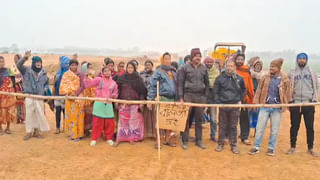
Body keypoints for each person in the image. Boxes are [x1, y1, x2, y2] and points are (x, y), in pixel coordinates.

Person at [249, 58, 291, 156]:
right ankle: (256, 147)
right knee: (260, 127)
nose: (271, 68)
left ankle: (271, 148)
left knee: (274, 129)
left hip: (277, 107)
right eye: (270, 66)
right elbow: (259, 90)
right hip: (264, 106)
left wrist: (286, 104)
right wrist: (256, 103)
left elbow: (288, 92)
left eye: (273, 67)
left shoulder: (284, 78)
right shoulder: (265, 77)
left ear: (279, 68)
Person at [287, 53, 319, 156]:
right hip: (295, 103)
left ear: (306, 60)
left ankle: (310, 148)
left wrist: (314, 99)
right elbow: (287, 87)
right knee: (294, 126)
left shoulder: (312, 73)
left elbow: (317, 87)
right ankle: (292, 147)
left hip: (308, 103)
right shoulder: (292, 73)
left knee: (309, 127)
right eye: (300, 58)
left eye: (304, 59)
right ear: (297, 60)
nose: (302, 60)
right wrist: (290, 100)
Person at [213, 59, 246, 154]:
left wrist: (239, 99)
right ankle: (220, 144)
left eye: (231, 66)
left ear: (234, 67)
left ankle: (234, 145)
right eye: (228, 66)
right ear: (225, 66)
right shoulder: (219, 78)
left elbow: (244, 90)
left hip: (234, 105)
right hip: (223, 105)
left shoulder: (240, 78)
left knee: (233, 126)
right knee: (222, 125)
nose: (229, 68)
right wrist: (218, 102)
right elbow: (215, 92)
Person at [178, 48, 209, 150]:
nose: (198, 58)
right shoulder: (184, 68)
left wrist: (205, 99)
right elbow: (180, 84)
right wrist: (181, 98)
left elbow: (207, 84)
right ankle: (185, 140)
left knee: (199, 119)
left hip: (200, 96)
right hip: (188, 95)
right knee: (186, 119)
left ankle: (199, 140)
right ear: (192, 57)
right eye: (196, 56)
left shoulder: (204, 69)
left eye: (200, 56)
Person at [17, 51, 50, 140]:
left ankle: (38, 131)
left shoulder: (44, 72)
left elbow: (46, 83)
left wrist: (44, 90)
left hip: (39, 97)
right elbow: (18, 65)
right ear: (33, 63)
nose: (38, 64)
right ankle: (29, 132)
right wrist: (25, 57)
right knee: (29, 114)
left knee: (39, 114)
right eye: (37, 62)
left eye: (40, 62)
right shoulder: (26, 70)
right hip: (29, 96)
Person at [147, 52, 178, 148]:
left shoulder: (173, 71)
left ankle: (167, 140)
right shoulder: (158, 71)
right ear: (162, 60)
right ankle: (158, 141)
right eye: (166, 59)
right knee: (159, 121)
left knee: (169, 121)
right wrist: (150, 99)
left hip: (172, 99)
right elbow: (152, 86)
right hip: (162, 98)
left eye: (169, 59)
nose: (168, 61)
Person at [114, 62, 147, 146]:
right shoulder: (121, 78)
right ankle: (120, 138)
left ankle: (131, 138)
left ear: (134, 69)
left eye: (131, 68)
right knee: (122, 122)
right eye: (128, 67)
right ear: (126, 68)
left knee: (133, 122)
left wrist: (141, 102)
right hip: (124, 103)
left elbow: (142, 91)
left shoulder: (138, 79)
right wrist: (117, 101)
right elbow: (118, 90)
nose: (130, 69)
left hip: (135, 104)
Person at [84, 67, 118, 146]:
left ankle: (109, 138)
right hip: (99, 103)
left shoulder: (114, 83)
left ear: (111, 72)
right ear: (102, 72)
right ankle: (94, 139)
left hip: (108, 104)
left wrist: (113, 96)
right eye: (105, 71)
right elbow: (88, 84)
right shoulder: (98, 80)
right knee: (97, 122)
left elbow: (116, 93)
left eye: (108, 71)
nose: (107, 72)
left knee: (109, 122)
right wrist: (86, 77)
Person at [59, 59, 85, 142]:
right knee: (71, 116)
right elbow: (63, 86)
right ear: (69, 66)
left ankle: (79, 134)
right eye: (72, 65)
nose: (74, 67)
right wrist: (69, 93)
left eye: (75, 65)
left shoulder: (80, 74)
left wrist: (76, 93)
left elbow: (82, 86)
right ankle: (73, 134)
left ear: (78, 66)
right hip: (69, 98)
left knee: (79, 117)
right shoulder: (66, 75)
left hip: (78, 98)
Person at [235, 53, 254, 145]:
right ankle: (229, 136)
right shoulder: (231, 69)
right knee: (231, 118)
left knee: (244, 118)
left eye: (241, 59)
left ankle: (244, 137)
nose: (239, 61)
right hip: (232, 98)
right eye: (238, 59)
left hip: (244, 97)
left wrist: (250, 97)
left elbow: (249, 84)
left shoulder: (246, 71)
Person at [204, 57, 220, 142]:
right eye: (207, 62)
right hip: (203, 97)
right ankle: (198, 137)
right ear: (205, 63)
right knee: (199, 118)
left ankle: (213, 135)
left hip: (213, 97)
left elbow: (216, 83)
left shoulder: (216, 71)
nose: (209, 64)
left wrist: (209, 83)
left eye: (211, 62)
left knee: (214, 119)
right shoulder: (202, 70)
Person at [52, 56, 70, 134]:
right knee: (58, 111)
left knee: (65, 112)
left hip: (66, 96)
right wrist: (53, 96)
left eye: (66, 63)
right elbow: (54, 85)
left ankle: (65, 127)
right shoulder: (58, 73)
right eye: (64, 63)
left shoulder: (70, 74)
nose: (65, 64)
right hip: (57, 95)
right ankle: (57, 127)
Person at [0, 56, 16, 135]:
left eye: (2, 61)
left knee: (9, 111)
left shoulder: (9, 71)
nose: (1, 63)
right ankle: (0, 128)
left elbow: (13, 82)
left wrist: (13, 92)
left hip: (8, 95)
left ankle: (8, 128)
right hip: (0, 95)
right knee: (0, 111)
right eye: (0, 62)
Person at [140, 60, 156, 138]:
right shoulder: (141, 74)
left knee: (152, 115)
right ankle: (144, 133)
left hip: (152, 96)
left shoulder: (155, 74)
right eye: (146, 65)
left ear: (152, 66)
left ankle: (153, 134)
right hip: (143, 95)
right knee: (144, 115)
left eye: (149, 65)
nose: (147, 66)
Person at [247, 57, 264, 131]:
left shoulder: (263, 75)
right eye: (256, 65)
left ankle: (257, 130)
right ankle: (246, 132)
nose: (258, 66)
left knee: (258, 114)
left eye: (259, 65)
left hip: (259, 96)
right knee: (248, 113)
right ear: (253, 66)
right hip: (250, 95)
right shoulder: (249, 73)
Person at [81, 62, 96, 137]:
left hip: (89, 101)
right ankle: (82, 131)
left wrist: (93, 98)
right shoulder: (80, 78)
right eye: (88, 68)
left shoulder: (91, 78)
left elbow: (93, 89)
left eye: (90, 68)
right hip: (81, 101)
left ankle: (87, 131)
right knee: (82, 116)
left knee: (89, 117)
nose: (89, 70)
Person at [13, 54, 25, 124]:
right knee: (17, 104)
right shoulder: (13, 67)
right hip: (16, 87)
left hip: (22, 87)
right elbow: (12, 78)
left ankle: (22, 118)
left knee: (22, 104)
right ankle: (18, 118)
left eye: (17, 59)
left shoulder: (23, 68)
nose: (16, 60)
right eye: (15, 59)